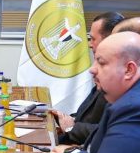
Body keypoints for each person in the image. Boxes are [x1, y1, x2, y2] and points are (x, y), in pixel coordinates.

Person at [51, 12, 124, 145]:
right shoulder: (106, 72)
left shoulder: (119, 78)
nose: (90, 44)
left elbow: (109, 131)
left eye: (92, 39)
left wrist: (72, 128)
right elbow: (88, 115)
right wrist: (63, 118)